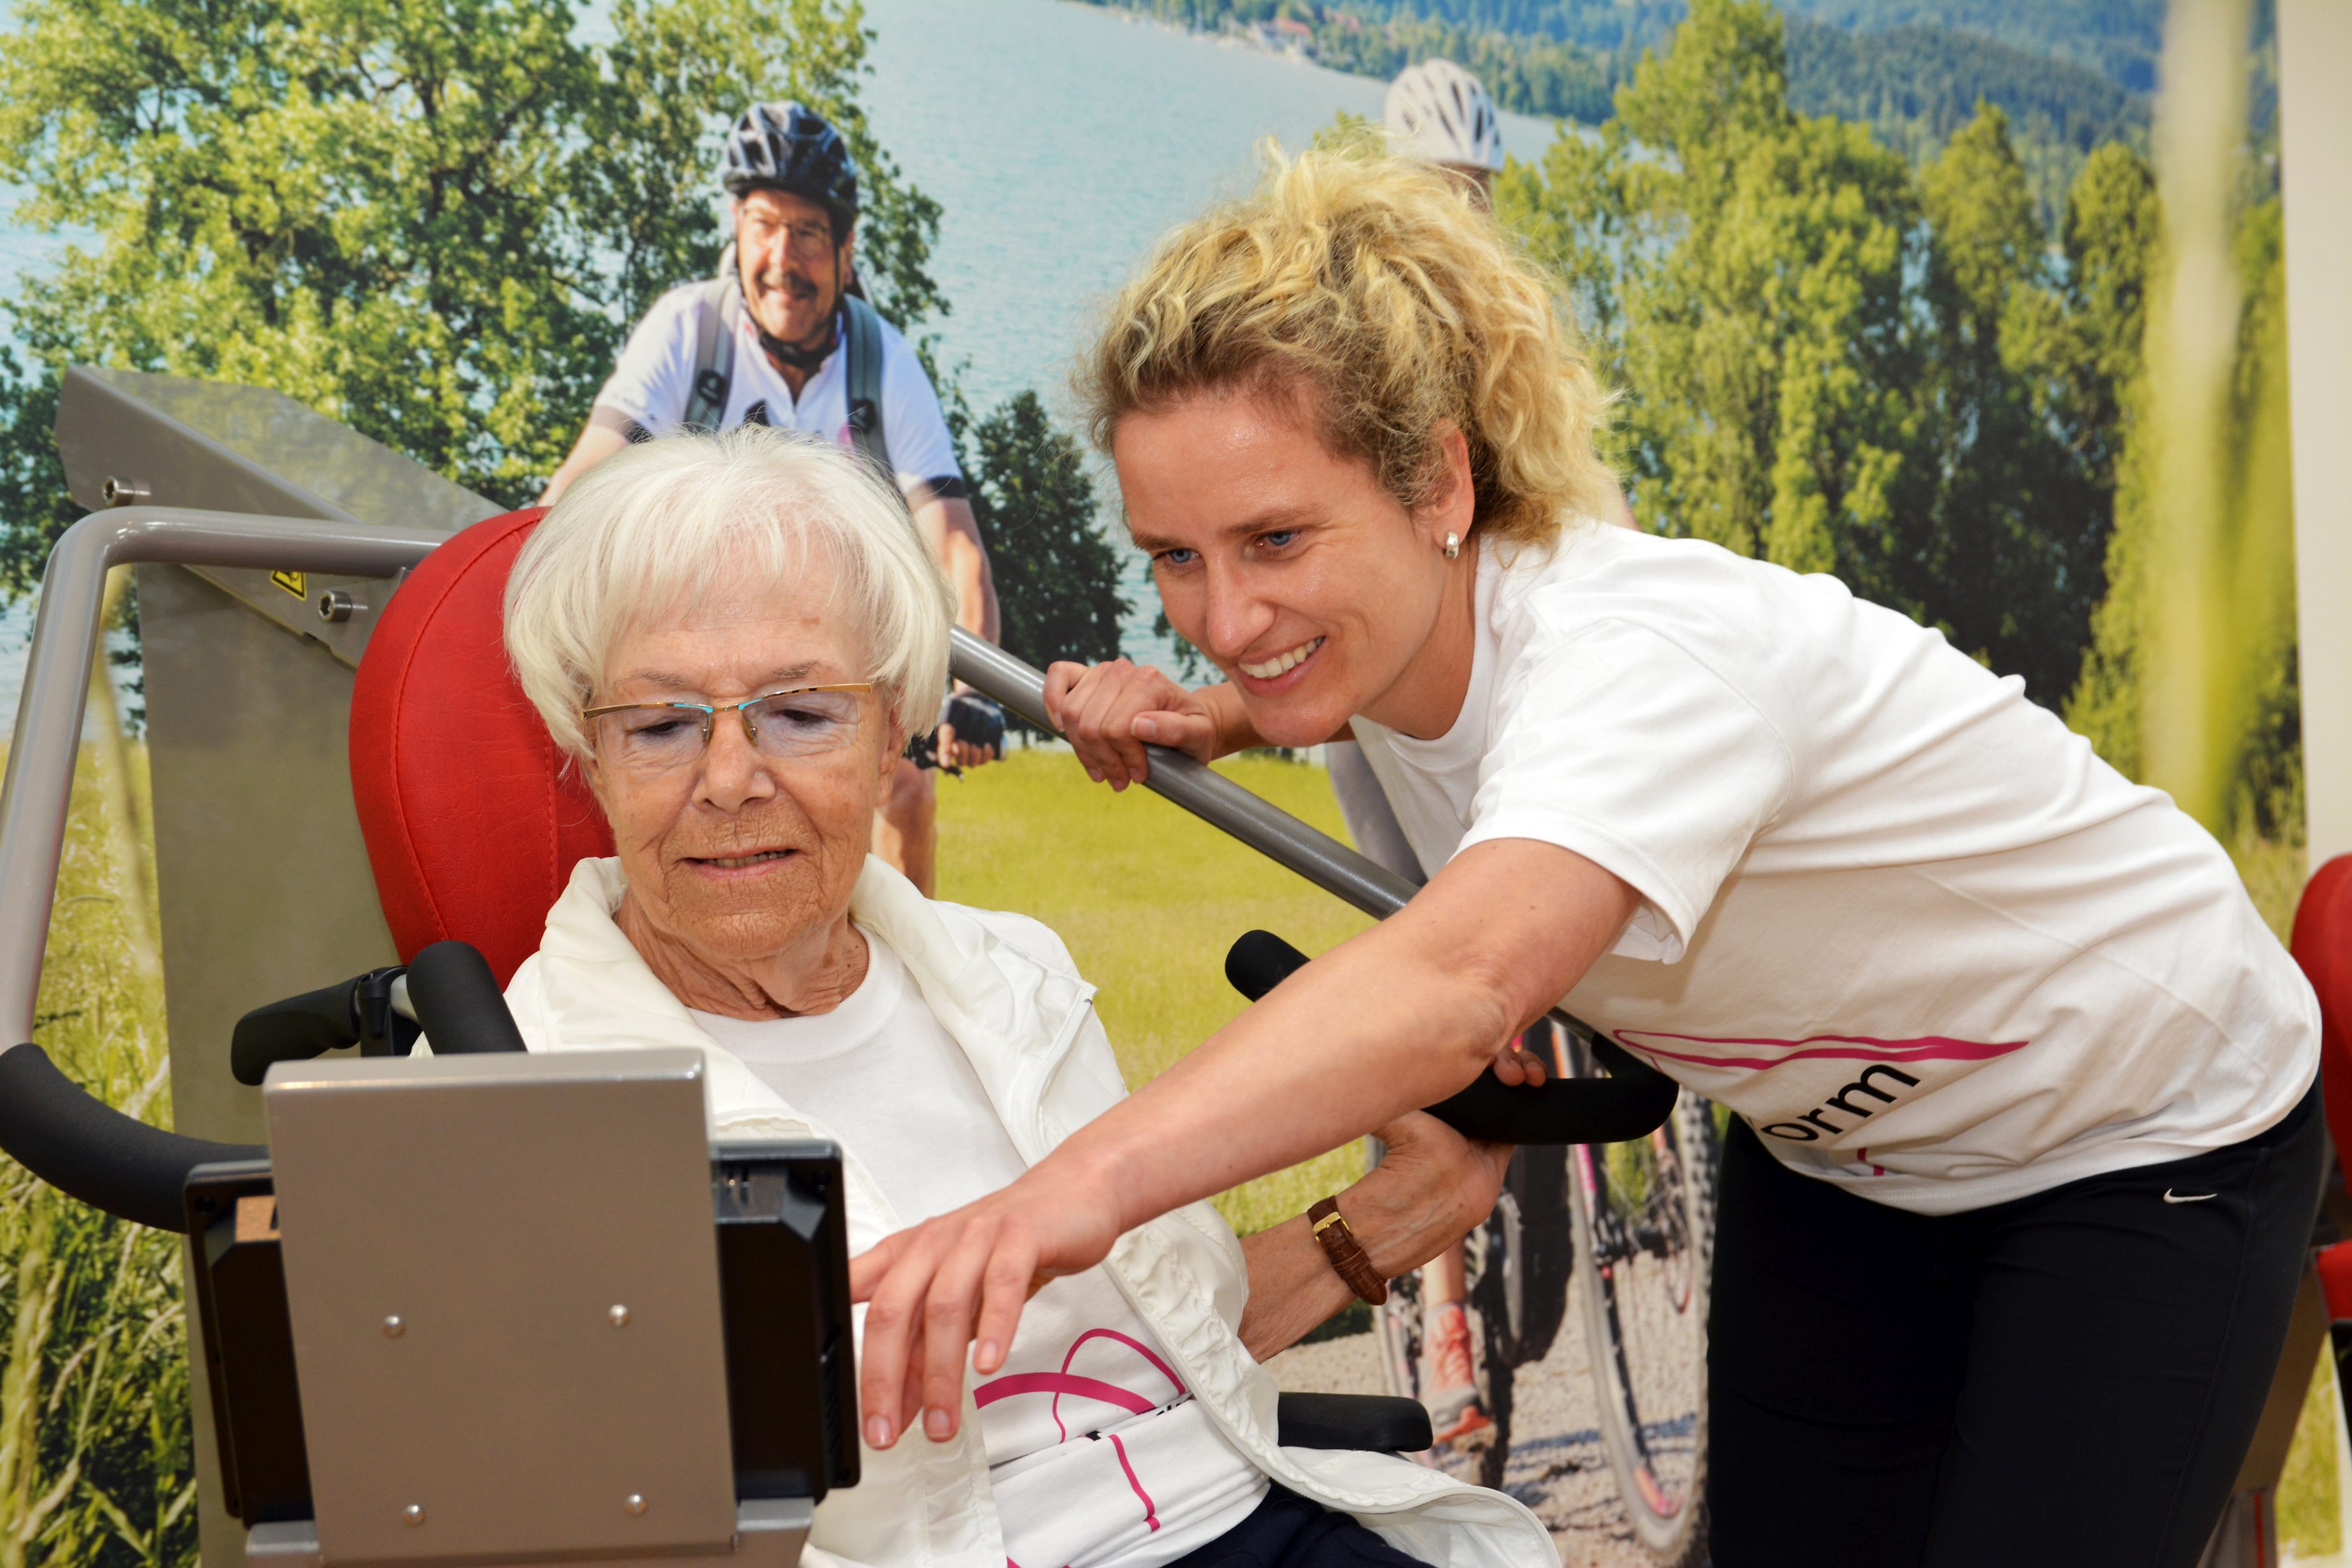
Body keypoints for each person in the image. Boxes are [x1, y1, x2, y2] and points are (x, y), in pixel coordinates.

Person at [846, 146, 2326, 1568]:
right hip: (1850, 1152)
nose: (1222, 614)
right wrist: (1225, 712)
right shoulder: (1372, 660)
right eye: (1175, 555)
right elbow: (1338, 680)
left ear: (1439, 483)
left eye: (1277, 539)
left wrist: (1058, 1198)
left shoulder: (1635, 663)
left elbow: (1462, 973)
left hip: (2140, 1124)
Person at [487, 424, 1555, 1568]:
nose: (732, 779)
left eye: (801, 714)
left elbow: (1136, 1351)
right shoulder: (505, 1097)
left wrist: (1399, 1212)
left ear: (892, 727)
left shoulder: (1010, 973)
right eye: (659, 725)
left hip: (1239, 1519)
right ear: (582, 750)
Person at [539, 100, 1001, 896]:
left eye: (809, 234)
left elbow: (952, 542)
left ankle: (916, 982)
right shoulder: (690, 331)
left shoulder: (881, 362)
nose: (782, 257)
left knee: (907, 792)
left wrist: (971, 692)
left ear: (847, 252)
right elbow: (582, 480)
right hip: (682, 640)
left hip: (808, 657)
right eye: (763, 226)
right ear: (736, 230)